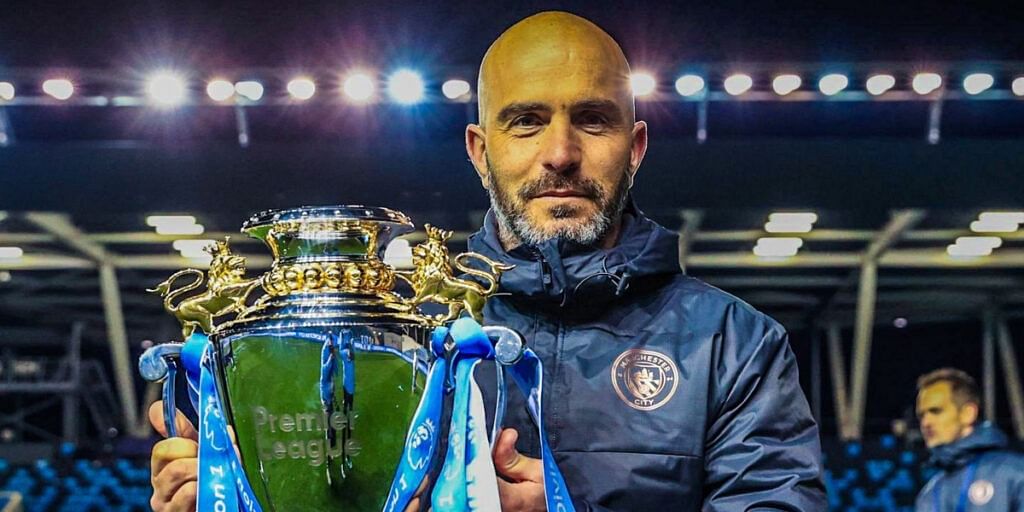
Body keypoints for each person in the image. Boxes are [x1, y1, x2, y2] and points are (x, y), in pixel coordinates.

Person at [149, 10, 826, 511]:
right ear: (479, 149)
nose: (560, 153)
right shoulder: (393, 326)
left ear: (637, 145)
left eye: (592, 120)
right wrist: (235, 488)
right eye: (526, 121)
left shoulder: (734, 346)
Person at [914, 368, 1024, 511]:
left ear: (968, 413)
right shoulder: (928, 495)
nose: (925, 423)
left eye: (936, 411)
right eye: (921, 415)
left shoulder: (1014, 473)